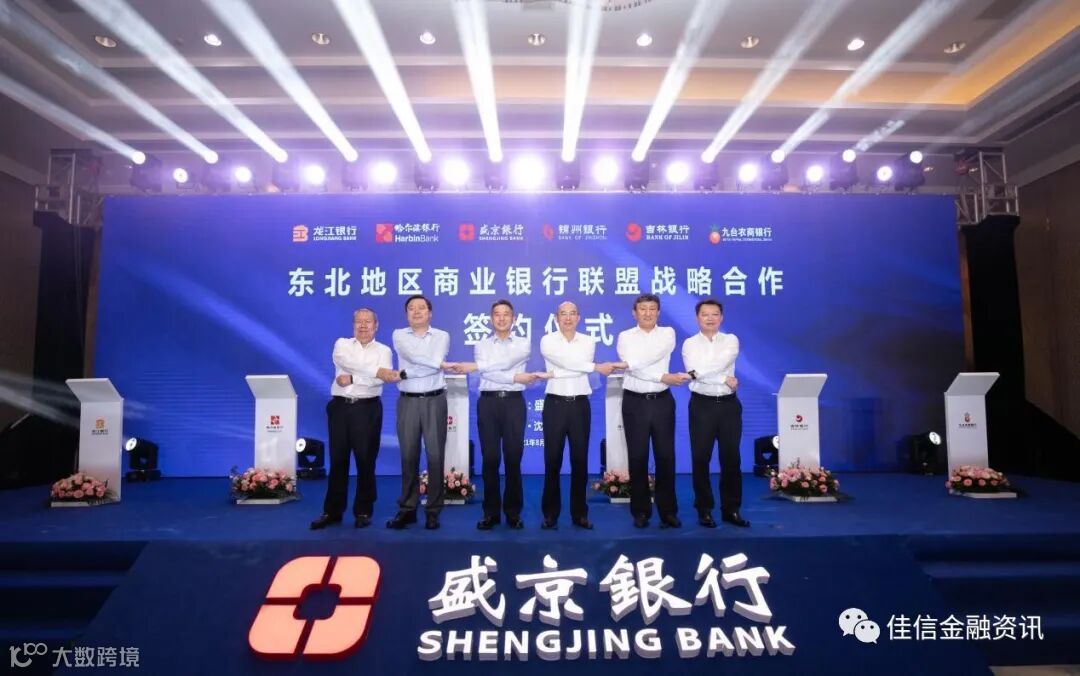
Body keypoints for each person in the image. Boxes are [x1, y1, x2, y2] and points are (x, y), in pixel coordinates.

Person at [451, 300, 546, 530]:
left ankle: (513, 513)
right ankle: (490, 513)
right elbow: (491, 373)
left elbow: (501, 364)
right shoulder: (481, 344)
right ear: (491, 318)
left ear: (514, 318)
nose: (501, 318)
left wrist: (477, 366)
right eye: (497, 314)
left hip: (514, 403)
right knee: (490, 459)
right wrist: (511, 376)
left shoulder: (523, 344)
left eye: (506, 314)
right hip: (488, 403)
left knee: (513, 459)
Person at [310, 308, 398, 530]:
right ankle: (332, 512)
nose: (363, 325)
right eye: (359, 321)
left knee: (365, 461)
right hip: (340, 408)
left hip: (367, 409)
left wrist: (354, 378)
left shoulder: (384, 350)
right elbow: (350, 364)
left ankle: (363, 511)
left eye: (368, 321)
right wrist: (376, 371)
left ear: (376, 326)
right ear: (353, 325)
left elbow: (380, 381)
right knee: (338, 461)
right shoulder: (342, 345)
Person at [538, 301, 620, 530]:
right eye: (563, 314)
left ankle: (580, 514)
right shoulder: (547, 340)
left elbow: (574, 366)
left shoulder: (588, 341)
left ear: (579, 318)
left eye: (572, 313)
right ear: (556, 318)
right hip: (554, 405)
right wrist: (593, 367)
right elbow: (570, 364)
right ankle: (550, 514)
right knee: (552, 461)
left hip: (580, 406)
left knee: (580, 461)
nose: (568, 318)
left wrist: (554, 373)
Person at [615, 294, 689, 529]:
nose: (647, 313)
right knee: (637, 457)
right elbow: (633, 367)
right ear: (634, 312)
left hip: (662, 402)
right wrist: (661, 376)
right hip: (634, 402)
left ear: (658, 312)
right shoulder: (625, 336)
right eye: (642, 309)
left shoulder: (667, 334)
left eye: (652, 309)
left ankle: (668, 512)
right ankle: (640, 511)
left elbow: (640, 362)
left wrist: (632, 364)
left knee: (665, 456)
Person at [682, 299, 749, 528]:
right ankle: (704, 509)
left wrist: (699, 373)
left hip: (729, 406)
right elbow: (693, 371)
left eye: (715, 314)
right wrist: (723, 379)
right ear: (697, 318)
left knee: (731, 459)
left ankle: (731, 509)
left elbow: (713, 365)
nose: (710, 318)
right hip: (702, 406)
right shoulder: (690, 344)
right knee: (701, 458)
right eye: (705, 314)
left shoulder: (731, 340)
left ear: (722, 317)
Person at [387, 295, 451, 531]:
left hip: (435, 400)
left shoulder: (442, 336)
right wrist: (434, 364)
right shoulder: (399, 335)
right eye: (411, 308)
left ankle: (433, 511)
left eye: (421, 308)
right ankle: (408, 509)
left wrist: (405, 373)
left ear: (430, 313)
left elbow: (434, 362)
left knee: (435, 457)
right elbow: (421, 360)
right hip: (408, 401)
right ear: (406, 314)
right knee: (408, 457)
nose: (416, 312)